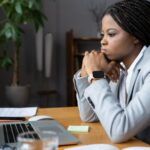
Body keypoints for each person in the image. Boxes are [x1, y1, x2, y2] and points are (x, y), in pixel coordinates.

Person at [73, 0, 150, 144]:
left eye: (111, 34)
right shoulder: (120, 68)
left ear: (135, 37)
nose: (103, 41)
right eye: (103, 35)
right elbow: (89, 116)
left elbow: (119, 130)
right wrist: (86, 70)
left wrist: (96, 75)